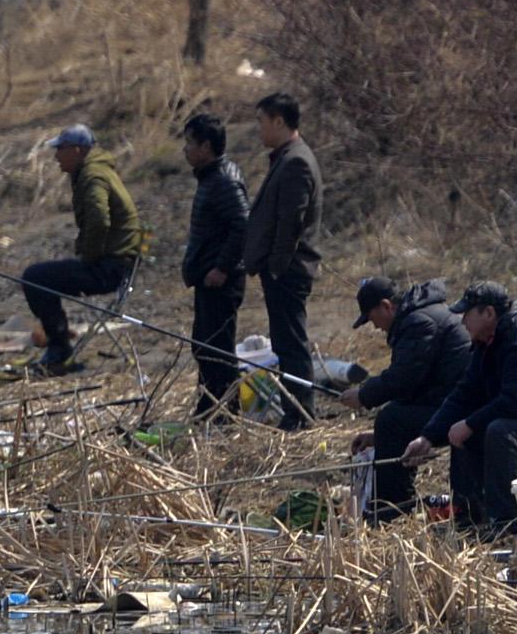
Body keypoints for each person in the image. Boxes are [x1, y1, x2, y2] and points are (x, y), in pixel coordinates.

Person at [404, 282, 517, 537]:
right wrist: (428, 436)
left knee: (499, 431)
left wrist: (469, 424)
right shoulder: (487, 342)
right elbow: (465, 392)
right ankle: (469, 516)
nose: (462, 321)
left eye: (467, 314)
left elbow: (516, 401)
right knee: (468, 431)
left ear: (488, 313)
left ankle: (505, 524)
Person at [341, 276, 472, 521]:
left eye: (372, 318)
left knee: (391, 420)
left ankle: (391, 510)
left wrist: (364, 395)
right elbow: (414, 387)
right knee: (393, 418)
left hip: (461, 408)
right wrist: (377, 437)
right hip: (450, 401)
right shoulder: (422, 315)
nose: (376, 327)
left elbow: (403, 377)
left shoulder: (418, 322)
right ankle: (394, 504)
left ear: (386, 306)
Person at [21, 125, 141, 373]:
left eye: (60, 150)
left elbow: (99, 219)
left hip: (110, 268)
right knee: (41, 276)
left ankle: (59, 350)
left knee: (34, 277)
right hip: (119, 263)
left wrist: (89, 257)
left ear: (77, 150)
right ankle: (58, 345)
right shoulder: (96, 171)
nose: (56, 157)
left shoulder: (92, 176)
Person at [242, 92, 323, 430]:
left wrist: (275, 265)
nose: (258, 129)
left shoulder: (296, 162)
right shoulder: (285, 158)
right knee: (286, 341)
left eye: (262, 122)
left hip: (289, 270)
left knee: (291, 343)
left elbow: (291, 221)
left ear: (278, 122)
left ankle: (301, 413)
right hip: (282, 269)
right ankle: (296, 410)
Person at [179, 112, 248, 417]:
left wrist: (222, 267)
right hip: (206, 280)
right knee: (204, 347)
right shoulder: (212, 176)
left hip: (220, 281)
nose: (186, 149)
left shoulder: (223, 180)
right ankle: (209, 405)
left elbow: (243, 225)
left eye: (190, 143)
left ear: (206, 146)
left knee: (218, 350)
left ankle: (227, 411)